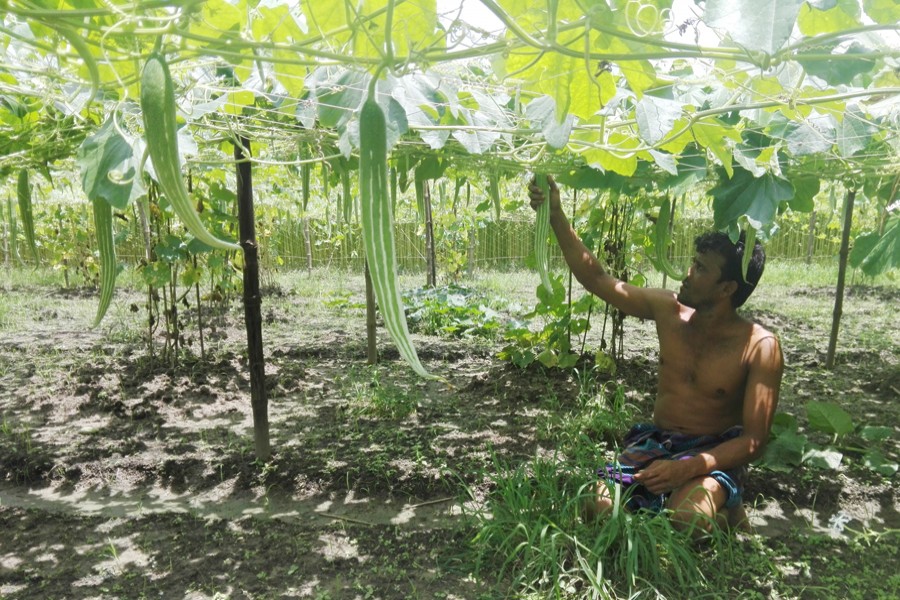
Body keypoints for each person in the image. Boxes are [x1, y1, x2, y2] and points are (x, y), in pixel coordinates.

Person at [528, 176, 783, 536]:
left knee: (689, 522)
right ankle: (665, 500)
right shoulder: (668, 309)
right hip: (656, 444)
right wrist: (555, 214)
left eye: (700, 268)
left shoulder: (761, 347)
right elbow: (599, 279)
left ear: (727, 289)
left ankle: (727, 512)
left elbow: (754, 442)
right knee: (595, 507)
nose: (686, 273)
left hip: (712, 454)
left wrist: (690, 467)